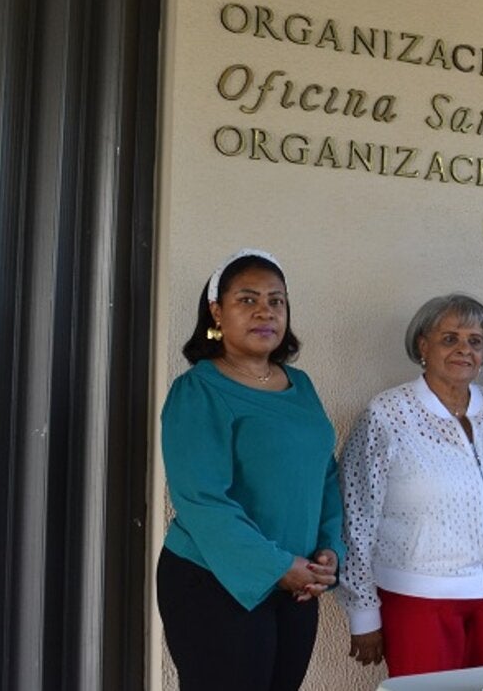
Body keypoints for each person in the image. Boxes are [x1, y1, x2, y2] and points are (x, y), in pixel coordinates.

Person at [158, 248, 344, 691]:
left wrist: (328, 550)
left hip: (297, 584)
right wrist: (278, 565)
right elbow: (203, 500)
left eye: (276, 300)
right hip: (214, 582)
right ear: (217, 312)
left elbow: (325, 474)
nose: (265, 311)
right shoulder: (198, 391)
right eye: (247, 299)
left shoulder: (300, 385)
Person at [337, 294, 483, 677]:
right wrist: (362, 612)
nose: (464, 349)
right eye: (450, 339)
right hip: (417, 599)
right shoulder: (387, 414)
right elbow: (355, 517)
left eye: (475, 341)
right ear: (423, 345)